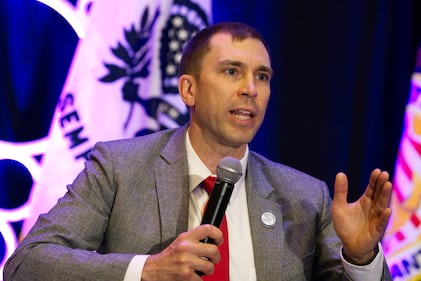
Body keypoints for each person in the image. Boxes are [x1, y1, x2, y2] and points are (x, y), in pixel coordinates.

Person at [4, 22, 393, 281]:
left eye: (262, 76)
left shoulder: (305, 196)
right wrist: (148, 271)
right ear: (188, 89)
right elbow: (26, 264)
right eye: (231, 71)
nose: (250, 89)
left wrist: (360, 259)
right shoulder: (119, 169)